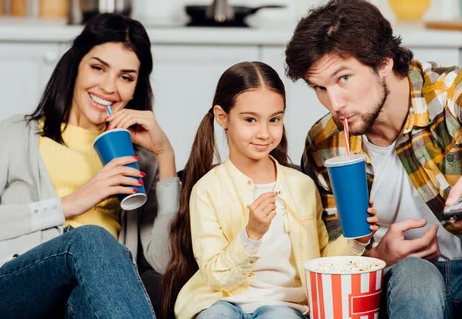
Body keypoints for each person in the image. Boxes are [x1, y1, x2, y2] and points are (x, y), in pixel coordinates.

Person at [284, 0, 462, 318]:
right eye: (319, 88)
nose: (334, 102)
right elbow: (332, 253)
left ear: (384, 62)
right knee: (414, 273)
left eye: (344, 78)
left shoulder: (455, 91)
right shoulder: (325, 142)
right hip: (397, 282)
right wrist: (380, 256)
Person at [0, 13, 180, 318]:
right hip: (10, 287)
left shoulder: (140, 161)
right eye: (98, 68)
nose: (109, 87)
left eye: (126, 77)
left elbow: (165, 263)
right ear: (76, 65)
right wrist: (72, 203)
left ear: (136, 87)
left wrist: (165, 156)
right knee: (90, 238)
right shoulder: (16, 133)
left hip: (89, 293)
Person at [160, 61, 379, 319]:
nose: (264, 133)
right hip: (219, 300)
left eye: (274, 119)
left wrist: (356, 240)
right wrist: (251, 235)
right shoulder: (207, 190)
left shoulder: (302, 186)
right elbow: (216, 276)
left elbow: (319, 261)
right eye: (250, 119)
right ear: (223, 118)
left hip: (285, 305)